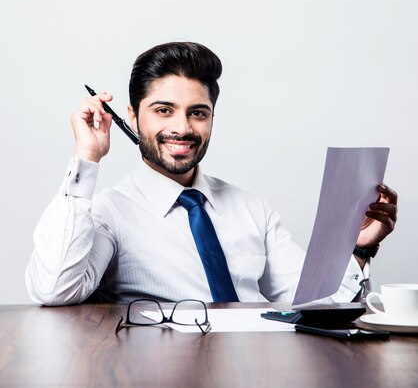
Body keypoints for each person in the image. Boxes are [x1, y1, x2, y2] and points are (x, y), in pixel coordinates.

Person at [26, 42, 398, 305]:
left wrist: (360, 247)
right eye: (163, 110)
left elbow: (318, 303)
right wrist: (86, 156)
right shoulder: (107, 213)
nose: (182, 127)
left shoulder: (253, 210)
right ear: (133, 117)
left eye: (197, 113)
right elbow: (55, 288)